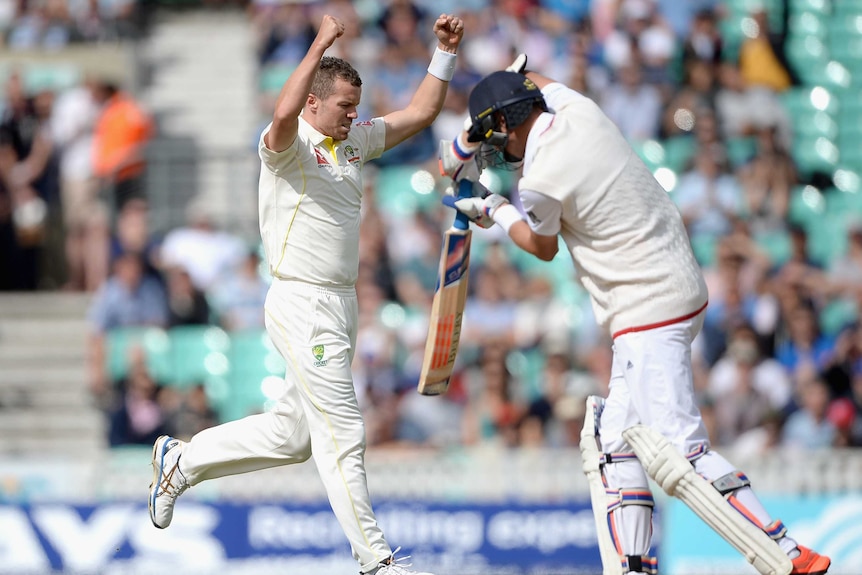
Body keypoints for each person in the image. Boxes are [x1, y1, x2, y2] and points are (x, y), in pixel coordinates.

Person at [437, 56, 831, 575]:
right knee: (612, 442)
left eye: (498, 139)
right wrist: (485, 114)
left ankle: (788, 553)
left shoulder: (539, 180)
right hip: (675, 286)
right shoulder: (578, 109)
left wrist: (491, 207)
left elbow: (541, 246)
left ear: (508, 123)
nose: (500, 152)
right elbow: (539, 82)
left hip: (646, 307)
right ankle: (633, 568)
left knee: (679, 454)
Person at [148, 12, 464, 575]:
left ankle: (183, 459)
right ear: (316, 103)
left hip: (340, 305)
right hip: (301, 300)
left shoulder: (354, 142)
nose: (353, 116)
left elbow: (420, 113)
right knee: (344, 428)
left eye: (355, 106)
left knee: (295, 436)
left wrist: (442, 53)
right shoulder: (289, 146)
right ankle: (376, 560)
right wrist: (319, 42)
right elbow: (280, 113)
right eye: (344, 106)